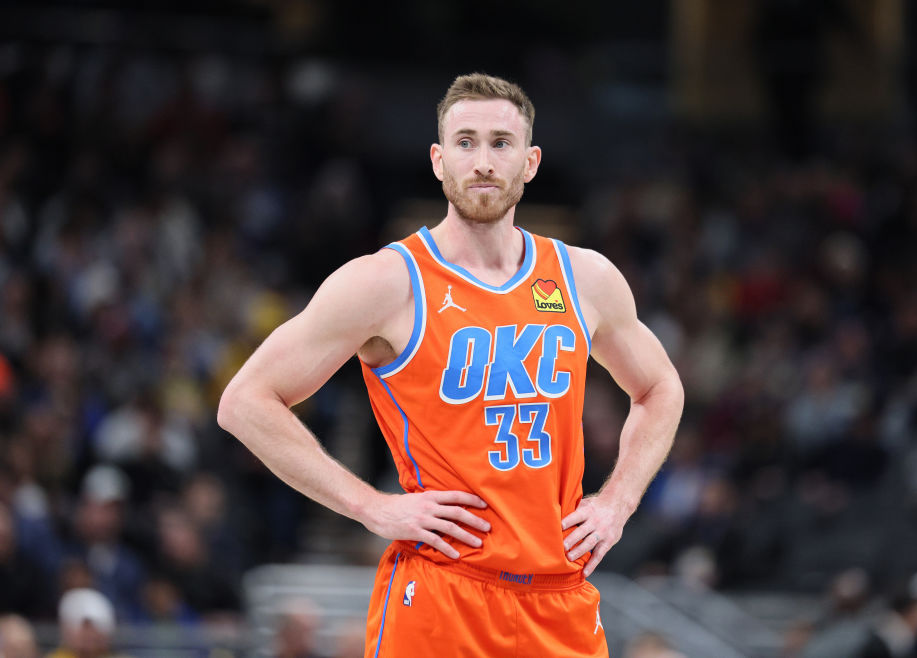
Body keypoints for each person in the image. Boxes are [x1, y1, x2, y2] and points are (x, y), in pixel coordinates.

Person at [218, 72, 685, 657]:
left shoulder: (584, 278)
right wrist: (371, 506)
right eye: (465, 143)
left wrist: (618, 502)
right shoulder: (386, 282)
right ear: (438, 161)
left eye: (500, 143)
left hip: (560, 595)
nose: (483, 161)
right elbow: (244, 402)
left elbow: (661, 386)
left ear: (531, 161)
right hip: (442, 591)